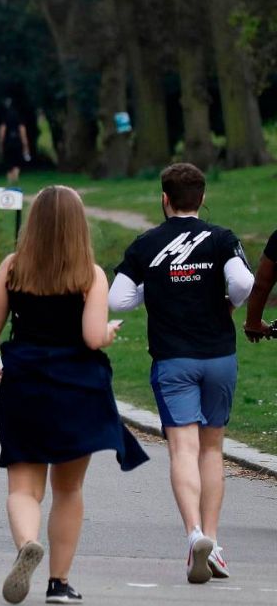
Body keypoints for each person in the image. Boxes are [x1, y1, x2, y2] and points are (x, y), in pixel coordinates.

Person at [0, 185, 147, 605]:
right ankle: (59, 582)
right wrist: (106, 332)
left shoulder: (13, 268)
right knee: (68, 490)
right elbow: (91, 337)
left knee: (23, 487)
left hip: (25, 385)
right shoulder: (90, 274)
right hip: (77, 389)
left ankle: (27, 544)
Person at [109, 164, 251, 583]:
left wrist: (151, 291)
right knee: (213, 450)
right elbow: (244, 283)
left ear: (164, 199)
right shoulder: (222, 239)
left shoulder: (147, 244)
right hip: (219, 357)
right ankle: (214, 540)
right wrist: (228, 306)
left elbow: (119, 299)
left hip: (173, 359)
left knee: (183, 450)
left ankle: (193, 536)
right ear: (202, 198)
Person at [0, 97, 32, 181]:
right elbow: (22, 131)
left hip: (7, 142)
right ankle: (15, 179)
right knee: (17, 162)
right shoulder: (19, 117)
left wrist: (0, 143)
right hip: (18, 142)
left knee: (8, 162)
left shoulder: (5, 116)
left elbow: (2, 130)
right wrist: (25, 144)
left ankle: (10, 180)